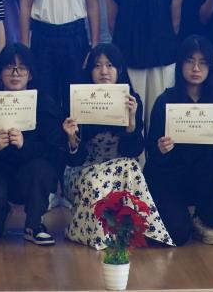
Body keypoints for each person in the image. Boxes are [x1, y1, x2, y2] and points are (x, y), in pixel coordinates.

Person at [63, 44, 171, 249]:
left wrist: (131, 123)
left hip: (120, 169)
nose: (104, 71)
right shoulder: (77, 100)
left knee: (131, 165)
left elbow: (135, 151)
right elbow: (72, 160)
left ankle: (136, 229)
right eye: (97, 66)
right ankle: (96, 234)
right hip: (84, 170)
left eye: (110, 65)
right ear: (90, 71)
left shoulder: (132, 101)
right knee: (97, 180)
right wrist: (71, 138)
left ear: (119, 70)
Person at [0, 43, 67, 244]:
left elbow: (55, 151)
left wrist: (25, 145)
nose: (15, 74)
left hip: (28, 177)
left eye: (21, 68)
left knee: (41, 169)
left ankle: (34, 225)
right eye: (9, 67)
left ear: (30, 74)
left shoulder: (44, 103)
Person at [144, 36, 213, 245]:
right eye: (189, 61)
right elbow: (151, 150)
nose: (196, 68)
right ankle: (179, 216)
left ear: (211, 66)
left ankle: (204, 220)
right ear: (180, 64)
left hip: (200, 174)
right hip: (168, 176)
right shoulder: (165, 101)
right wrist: (160, 148)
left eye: (203, 62)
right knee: (177, 235)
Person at [106, 0, 181, 124]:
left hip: (162, 59)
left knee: (160, 118)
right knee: (131, 116)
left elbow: (175, 25)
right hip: (128, 58)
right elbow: (112, 25)